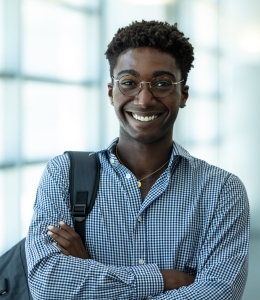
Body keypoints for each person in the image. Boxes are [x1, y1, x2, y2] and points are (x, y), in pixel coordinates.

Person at [26, 20, 250, 299]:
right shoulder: (64, 174)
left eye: (162, 83)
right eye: (129, 82)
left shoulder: (222, 191)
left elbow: (219, 293)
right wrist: (162, 280)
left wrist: (89, 271)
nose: (144, 100)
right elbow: (47, 284)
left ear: (183, 94)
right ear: (112, 92)